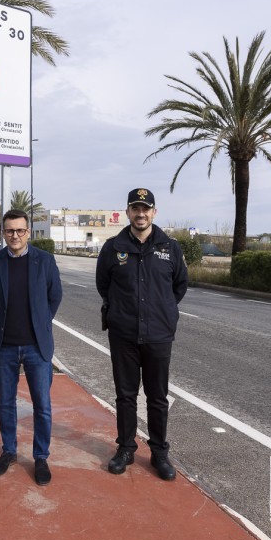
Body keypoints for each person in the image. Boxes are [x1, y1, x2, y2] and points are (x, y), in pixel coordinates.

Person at [95, 188, 188, 481]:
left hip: (159, 335)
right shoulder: (113, 247)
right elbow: (103, 284)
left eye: (145, 208)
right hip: (124, 334)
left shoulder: (170, 248)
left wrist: (163, 313)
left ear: (154, 213)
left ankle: (159, 452)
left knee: (158, 397)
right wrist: (120, 314)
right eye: (135, 208)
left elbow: (179, 287)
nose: (141, 213)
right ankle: (125, 448)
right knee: (125, 395)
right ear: (128, 212)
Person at [0, 209, 63, 485]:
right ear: (3, 233)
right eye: (9, 231)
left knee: (42, 405)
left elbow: (55, 297)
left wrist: (40, 323)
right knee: (6, 404)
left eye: (20, 230)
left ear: (28, 232)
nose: (14, 236)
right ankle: (9, 452)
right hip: (5, 347)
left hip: (36, 348)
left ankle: (40, 457)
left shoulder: (46, 261)